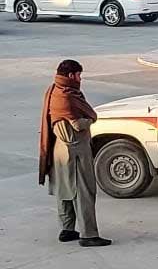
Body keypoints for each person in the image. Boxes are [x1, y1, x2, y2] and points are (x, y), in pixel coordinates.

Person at [40, 60, 111, 247]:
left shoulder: (54, 90)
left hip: (60, 150)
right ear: (71, 75)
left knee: (64, 190)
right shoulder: (68, 95)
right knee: (84, 192)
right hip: (75, 150)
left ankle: (67, 229)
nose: (80, 78)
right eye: (79, 74)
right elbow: (82, 121)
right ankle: (88, 235)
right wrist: (88, 121)